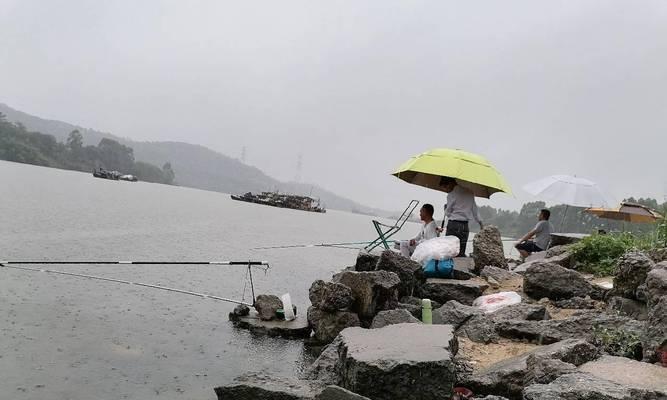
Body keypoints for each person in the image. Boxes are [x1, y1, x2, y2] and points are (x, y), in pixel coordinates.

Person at [438, 177, 483, 257]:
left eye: (445, 187)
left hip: (453, 225)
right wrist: (481, 224)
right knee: (460, 252)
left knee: (449, 251)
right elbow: (475, 210)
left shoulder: (451, 194)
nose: (446, 190)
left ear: (450, 183)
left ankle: (448, 268)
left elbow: (448, 213)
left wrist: (445, 209)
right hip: (464, 227)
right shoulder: (470, 193)